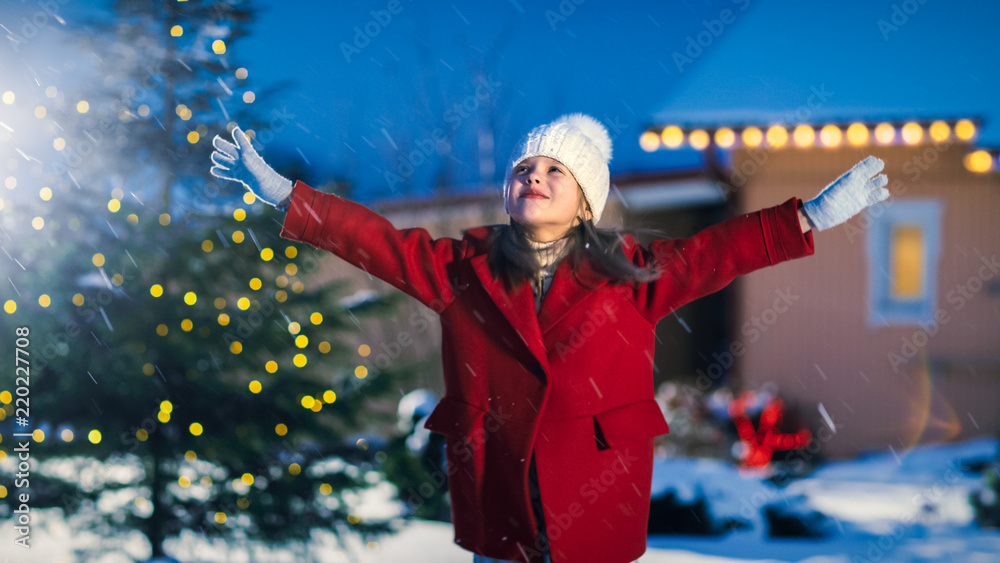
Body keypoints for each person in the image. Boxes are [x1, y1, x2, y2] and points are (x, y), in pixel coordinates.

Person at [210, 113, 889, 563]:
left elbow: (720, 251)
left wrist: (813, 215)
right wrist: (282, 194)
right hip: (503, 504)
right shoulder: (459, 271)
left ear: (586, 201)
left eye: (554, 169)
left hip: (594, 503)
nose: (533, 174)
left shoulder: (630, 274)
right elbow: (376, 242)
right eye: (523, 168)